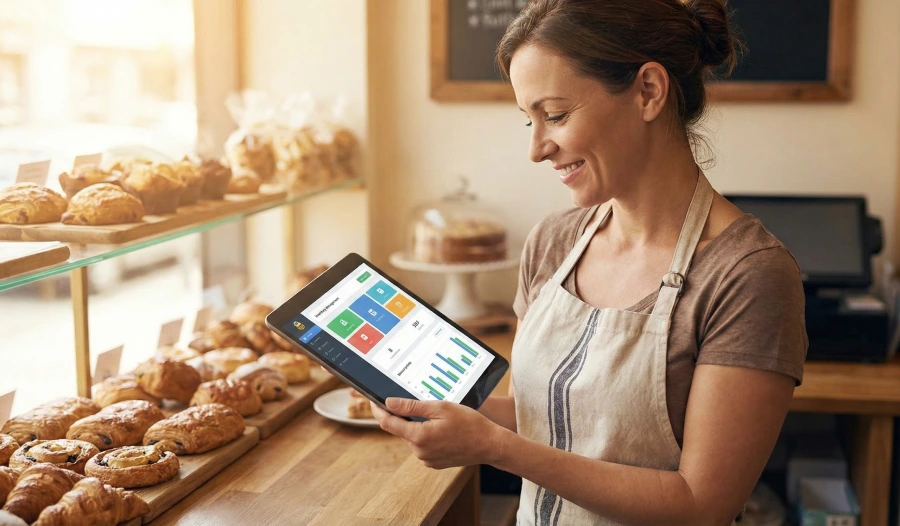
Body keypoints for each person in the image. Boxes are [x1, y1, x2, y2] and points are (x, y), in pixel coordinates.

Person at [372, 0, 807, 524]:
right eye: (528, 120)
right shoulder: (553, 243)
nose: (536, 148)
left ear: (648, 91)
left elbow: (702, 504)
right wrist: (458, 418)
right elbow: (548, 421)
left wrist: (494, 448)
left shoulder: (748, 275)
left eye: (554, 115)